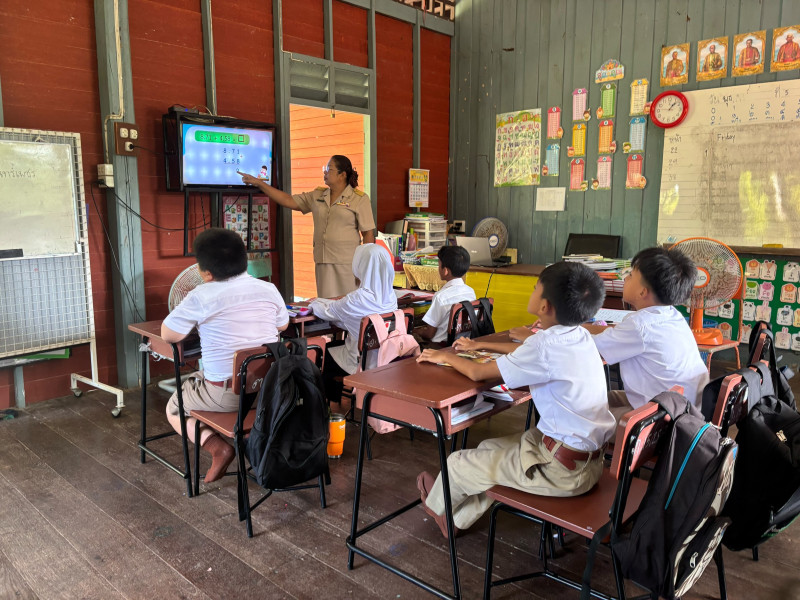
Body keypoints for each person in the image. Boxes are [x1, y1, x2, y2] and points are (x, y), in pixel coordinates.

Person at [415, 262, 615, 538]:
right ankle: (456, 520)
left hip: (561, 471)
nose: (532, 291)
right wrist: (479, 344)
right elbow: (527, 350)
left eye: (535, 288)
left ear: (544, 306)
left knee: (456, 464)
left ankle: (437, 506)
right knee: (487, 448)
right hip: (587, 462)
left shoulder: (544, 345)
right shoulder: (579, 335)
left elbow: (478, 372)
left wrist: (444, 356)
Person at [160, 228, 289, 483]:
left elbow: (168, 335)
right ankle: (251, 438)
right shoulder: (269, 288)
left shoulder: (200, 295)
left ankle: (218, 447)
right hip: (271, 390)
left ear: (205, 272)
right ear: (245, 260)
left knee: (174, 407)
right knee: (205, 376)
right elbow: (282, 325)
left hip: (229, 396)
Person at [590, 247, 709, 421]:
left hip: (662, 421)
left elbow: (589, 348)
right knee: (599, 400)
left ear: (643, 292)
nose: (625, 278)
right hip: (684, 410)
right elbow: (613, 334)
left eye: (631, 275)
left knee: (581, 414)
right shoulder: (671, 314)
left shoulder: (639, 325)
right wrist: (584, 327)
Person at [239, 155, 376, 298]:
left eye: (329, 169)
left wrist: (364, 267)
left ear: (342, 175)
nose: (325, 172)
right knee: (326, 304)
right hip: (323, 262)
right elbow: (288, 200)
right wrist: (260, 183)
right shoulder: (318, 195)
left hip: (348, 264)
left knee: (350, 304)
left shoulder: (359, 199)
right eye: (325, 169)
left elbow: (368, 234)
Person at [309, 244, 397, 405]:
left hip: (360, 363)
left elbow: (326, 312)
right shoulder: (391, 296)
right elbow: (350, 318)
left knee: (317, 354)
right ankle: (337, 408)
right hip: (386, 360)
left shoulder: (356, 299)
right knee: (334, 347)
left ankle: (323, 409)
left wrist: (314, 302)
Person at [417, 246, 476, 345]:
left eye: (439, 265)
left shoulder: (440, 297)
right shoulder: (470, 292)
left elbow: (429, 334)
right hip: (463, 342)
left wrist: (416, 331)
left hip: (441, 345)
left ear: (445, 271)